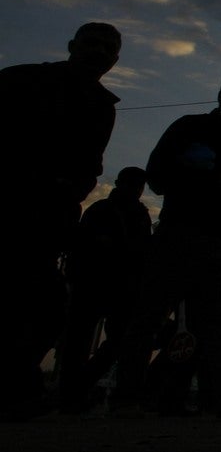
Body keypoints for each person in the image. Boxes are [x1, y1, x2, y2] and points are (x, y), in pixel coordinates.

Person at [111, 72, 221, 417]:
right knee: (149, 317)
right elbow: (158, 177)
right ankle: (126, 398)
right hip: (179, 238)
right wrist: (213, 181)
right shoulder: (189, 127)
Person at [0, 21, 121, 420]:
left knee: (45, 304)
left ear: (115, 59)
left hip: (50, 216)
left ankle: (17, 382)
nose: (99, 52)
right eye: (92, 43)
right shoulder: (25, 80)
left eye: (108, 48)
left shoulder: (102, 105)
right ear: (72, 45)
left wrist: (70, 192)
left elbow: (92, 163)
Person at [57, 166, 153, 413]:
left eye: (139, 185)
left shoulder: (140, 215)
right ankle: (69, 394)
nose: (136, 190)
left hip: (123, 287)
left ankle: (76, 388)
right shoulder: (101, 210)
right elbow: (80, 245)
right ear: (120, 183)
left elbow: (142, 252)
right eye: (132, 184)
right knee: (78, 341)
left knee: (118, 340)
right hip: (92, 283)